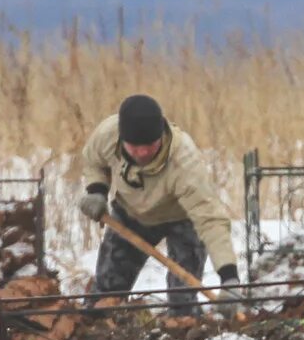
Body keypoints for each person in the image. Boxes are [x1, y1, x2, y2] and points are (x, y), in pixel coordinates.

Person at [79, 95, 239, 311]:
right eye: (135, 147)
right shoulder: (107, 135)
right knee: (104, 297)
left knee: (182, 302)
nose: (143, 153)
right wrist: (97, 190)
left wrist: (229, 277)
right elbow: (93, 161)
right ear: (121, 138)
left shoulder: (184, 161)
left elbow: (210, 219)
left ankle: (185, 335)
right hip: (130, 214)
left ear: (161, 136)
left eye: (150, 145)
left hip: (182, 219)